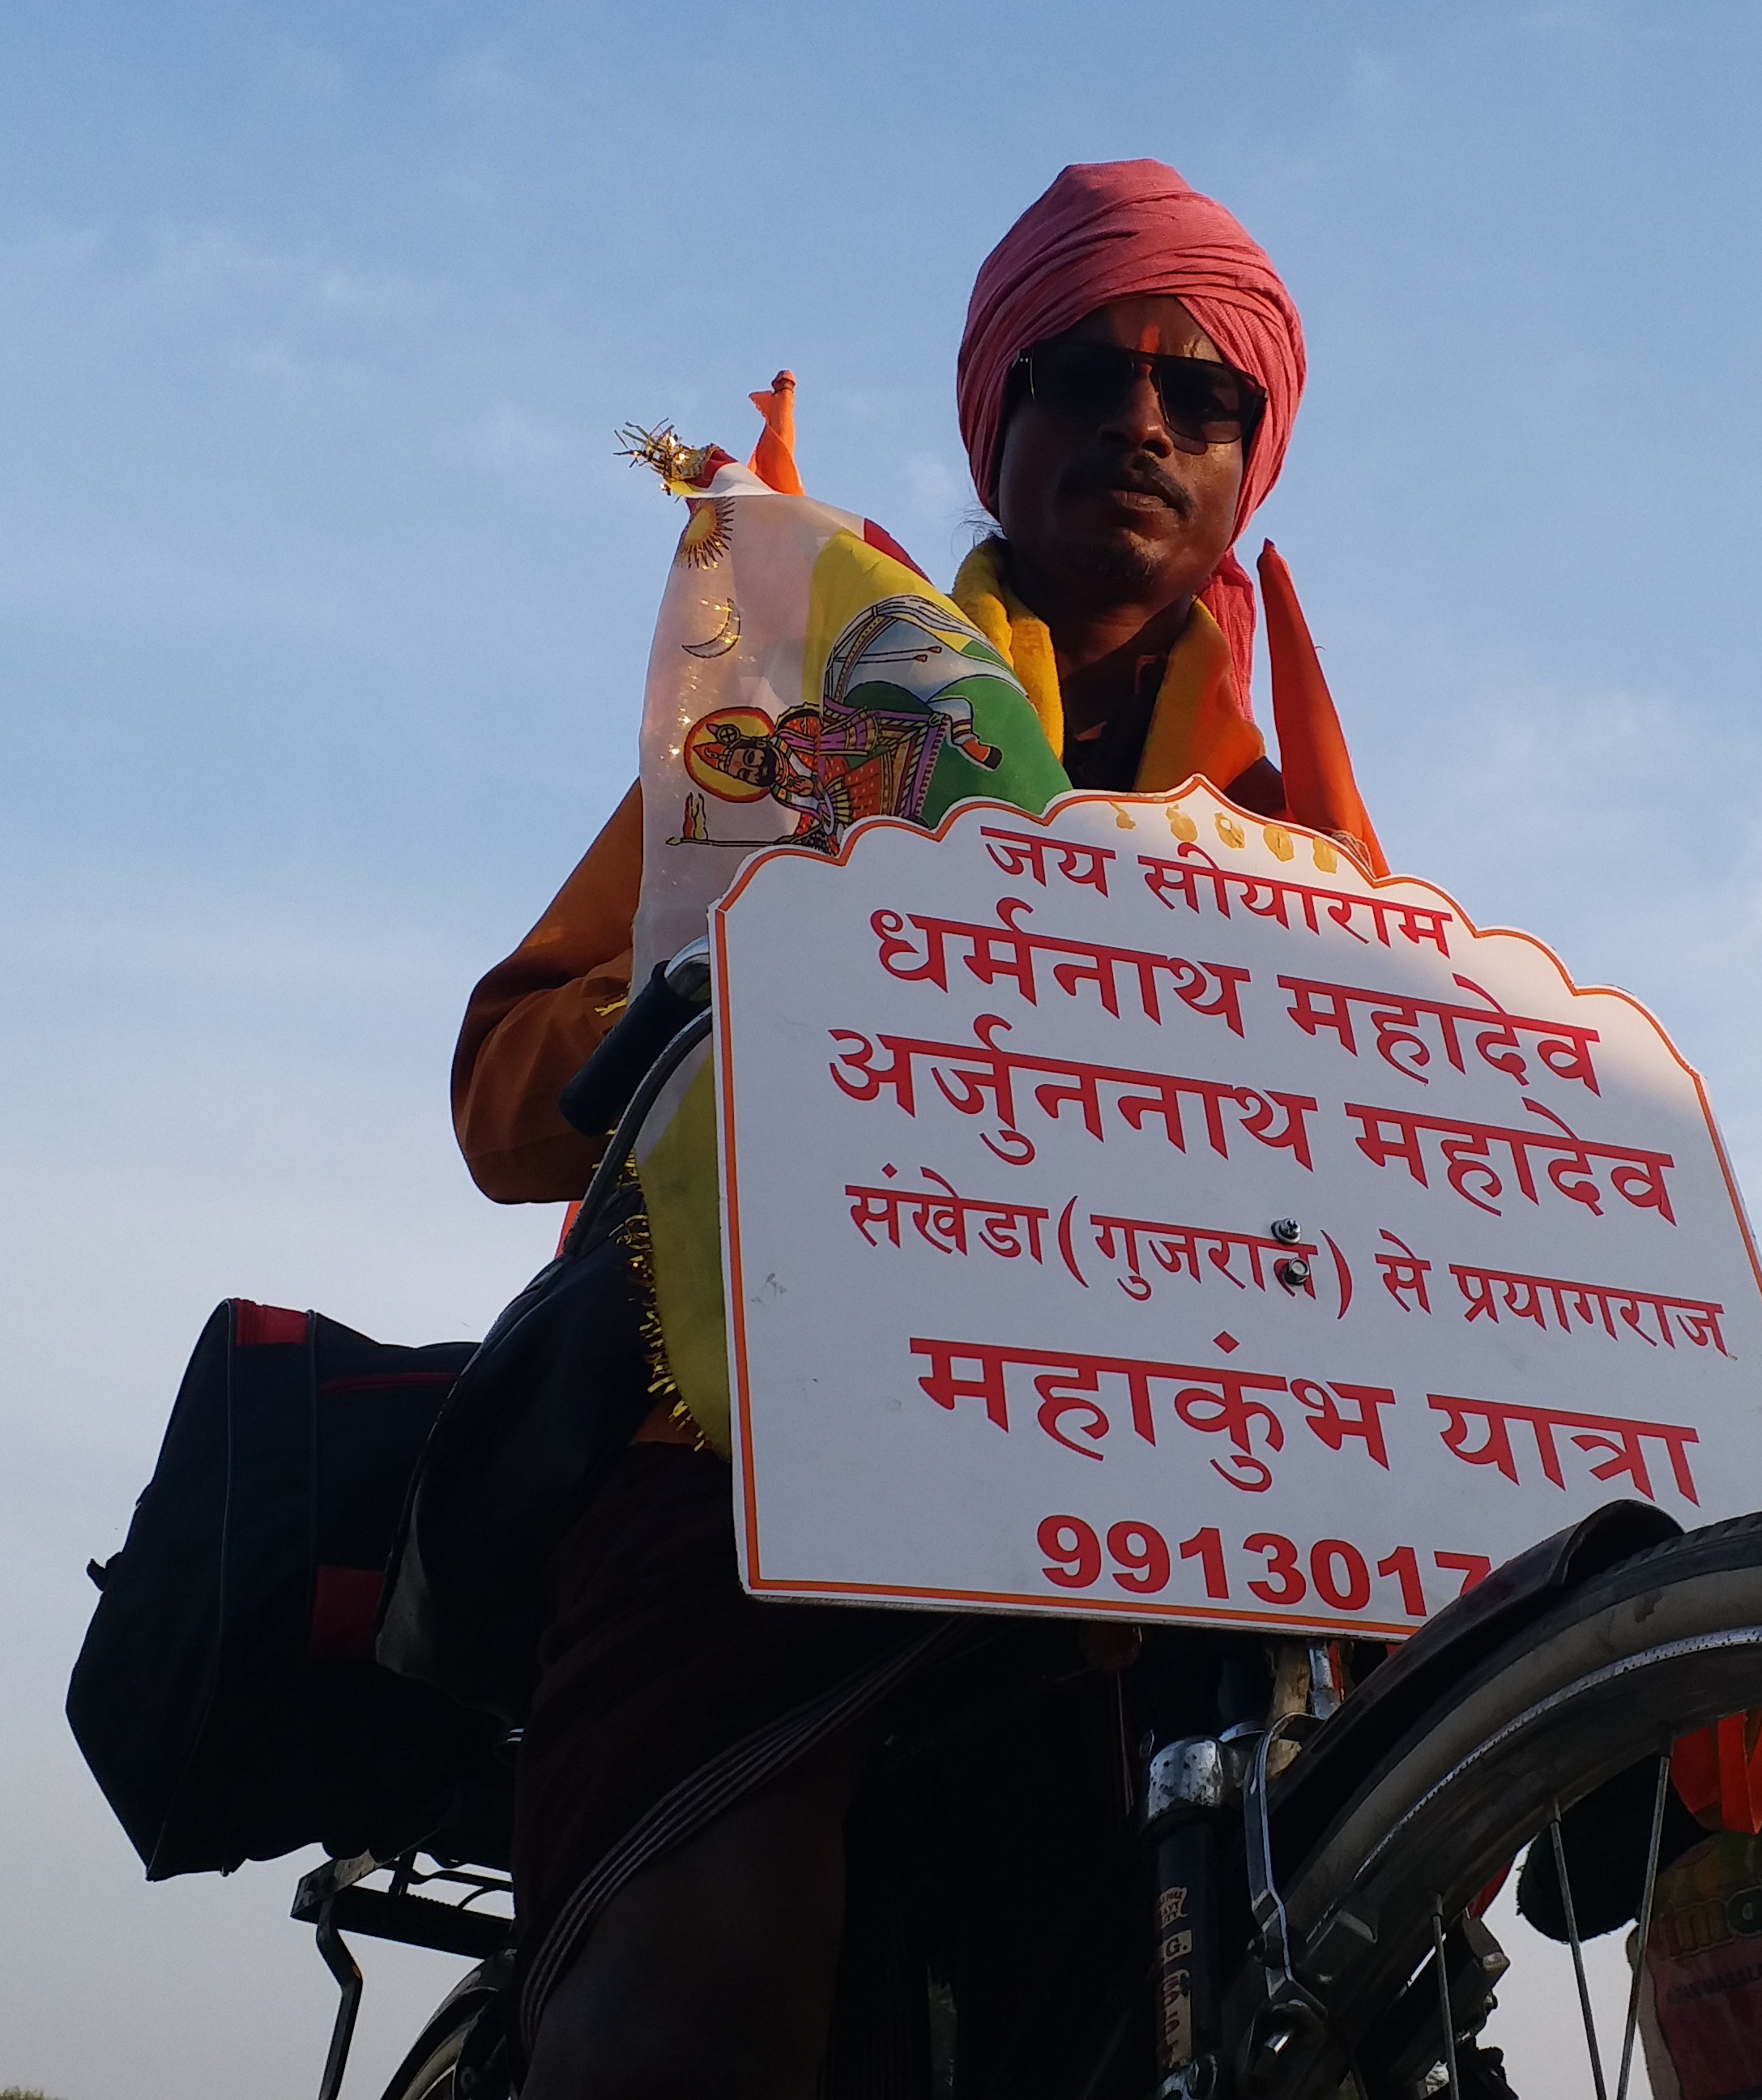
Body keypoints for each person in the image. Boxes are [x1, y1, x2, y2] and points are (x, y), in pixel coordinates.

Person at [450, 162, 1371, 2100]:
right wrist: (751, 986)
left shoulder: (1299, 851)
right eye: (1084, 371)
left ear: (1246, 459)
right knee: (684, 2022)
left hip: (1149, 1543)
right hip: (747, 1462)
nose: (1139, 421)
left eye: (1199, 397)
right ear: (999, 415)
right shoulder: (802, 711)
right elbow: (503, 1087)